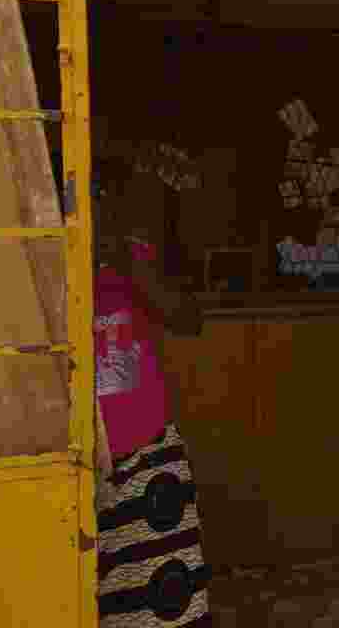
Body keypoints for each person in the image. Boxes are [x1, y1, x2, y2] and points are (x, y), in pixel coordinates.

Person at [91, 159, 212, 627]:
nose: (98, 207)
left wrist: (131, 269)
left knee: (164, 591)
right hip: (79, 457)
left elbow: (189, 318)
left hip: (148, 451)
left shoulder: (135, 257)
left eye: (104, 196)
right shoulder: (43, 259)